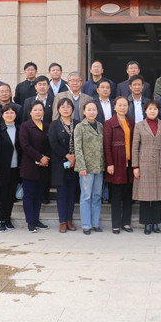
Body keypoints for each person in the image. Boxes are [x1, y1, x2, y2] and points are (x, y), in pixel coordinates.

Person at [132, 100, 161, 235]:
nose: (152, 111)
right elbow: (135, 147)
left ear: (158, 111)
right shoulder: (139, 126)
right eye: (150, 109)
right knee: (144, 195)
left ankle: (156, 223)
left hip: (159, 161)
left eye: (155, 109)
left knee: (158, 194)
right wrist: (135, 166)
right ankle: (146, 223)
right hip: (144, 162)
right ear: (145, 111)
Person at [104, 97, 135, 235]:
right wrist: (109, 163)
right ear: (114, 107)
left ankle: (126, 222)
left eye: (125, 105)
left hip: (129, 163)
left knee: (128, 195)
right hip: (116, 163)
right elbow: (107, 145)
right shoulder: (109, 123)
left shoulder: (131, 122)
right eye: (120, 105)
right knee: (116, 195)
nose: (123, 107)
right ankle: (116, 224)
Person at [74, 101, 106, 235]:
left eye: (94, 109)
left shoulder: (100, 126)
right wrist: (81, 166)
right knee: (86, 196)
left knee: (97, 195)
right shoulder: (80, 127)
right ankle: (86, 225)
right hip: (86, 167)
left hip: (99, 166)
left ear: (97, 112)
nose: (92, 112)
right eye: (89, 109)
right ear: (84, 112)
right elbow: (77, 148)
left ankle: (95, 223)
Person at [19, 101, 51, 233]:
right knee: (29, 195)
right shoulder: (25, 126)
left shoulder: (47, 126)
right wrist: (39, 157)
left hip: (43, 166)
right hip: (29, 165)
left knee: (38, 195)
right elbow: (25, 146)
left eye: (40, 110)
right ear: (30, 112)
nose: (38, 112)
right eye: (35, 110)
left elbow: (50, 144)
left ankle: (36, 219)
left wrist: (46, 158)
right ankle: (30, 221)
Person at [48, 98, 79, 233]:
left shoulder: (77, 124)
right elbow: (53, 143)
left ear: (72, 109)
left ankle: (69, 220)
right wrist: (67, 155)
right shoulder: (54, 124)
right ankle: (62, 221)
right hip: (60, 164)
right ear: (58, 109)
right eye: (63, 106)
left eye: (68, 106)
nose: (66, 109)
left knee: (72, 194)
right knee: (62, 194)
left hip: (75, 163)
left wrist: (75, 157)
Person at [0, 103, 21, 232]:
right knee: (2, 196)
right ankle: (2, 221)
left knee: (11, 196)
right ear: (2, 115)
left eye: (12, 112)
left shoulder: (19, 129)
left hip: (15, 168)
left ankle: (8, 219)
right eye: (6, 112)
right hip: (2, 169)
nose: (9, 115)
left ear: (15, 114)